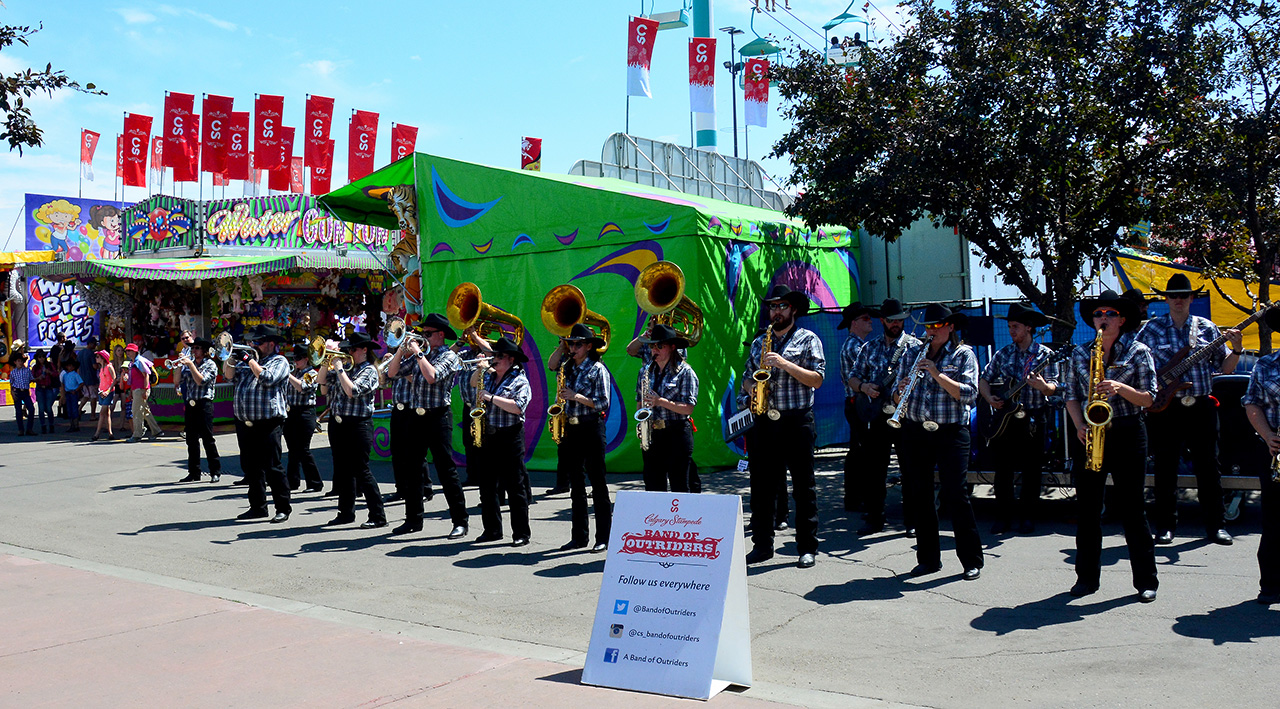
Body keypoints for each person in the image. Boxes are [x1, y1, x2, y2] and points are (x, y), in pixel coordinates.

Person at [1064, 290, 1159, 602]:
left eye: (1109, 314)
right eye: (1098, 314)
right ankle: (1086, 579)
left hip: (1129, 431)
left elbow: (1150, 398)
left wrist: (1121, 387)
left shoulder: (1139, 351)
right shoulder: (1081, 352)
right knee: (1088, 509)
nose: (1103, 319)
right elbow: (1071, 395)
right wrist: (1079, 424)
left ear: (1122, 319)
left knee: (1133, 508)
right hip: (1090, 433)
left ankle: (1146, 581)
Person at [1136, 273, 1240, 546]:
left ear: (1192, 298)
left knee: (1209, 467)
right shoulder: (1151, 329)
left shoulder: (1207, 328)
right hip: (1165, 408)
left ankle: (1216, 526)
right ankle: (1166, 527)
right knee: (1165, 468)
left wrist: (1237, 349)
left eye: (1184, 295)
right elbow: (1136, 364)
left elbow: (1226, 368)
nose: (1178, 300)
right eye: (1173, 295)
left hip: (1201, 405)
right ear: (1166, 298)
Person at [892, 303, 983, 580]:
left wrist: (935, 373)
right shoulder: (911, 353)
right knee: (920, 495)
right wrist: (901, 390)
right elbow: (895, 396)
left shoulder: (963, 354)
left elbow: (968, 394)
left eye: (936, 327)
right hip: (916, 430)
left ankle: (971, 560)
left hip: (951, 432)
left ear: (950, 327)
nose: (930, 332)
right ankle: (928, 559)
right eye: (927, 328)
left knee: (956, 494)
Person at [742, 285, 826, 569]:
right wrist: (752, 387)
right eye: (772, 307)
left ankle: (807, 547)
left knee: (803, 487)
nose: (776, 312)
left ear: (794, 310)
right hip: (765, 420)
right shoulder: (759, 342)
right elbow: (746, 377)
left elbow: (816, 379)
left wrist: (783, 363)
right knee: (762, 487)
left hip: (796, 420)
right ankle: (762, 546)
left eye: (782, 307)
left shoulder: (808, 339)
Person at [979, 303, 1059, 534]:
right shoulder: (1003, 354)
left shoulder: (1045, 355)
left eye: (1015, 327)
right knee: (1003, 469)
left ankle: (1027, 517)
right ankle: (1003, 516)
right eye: (1010, 326)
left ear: (1028, 328)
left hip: (1034, 418)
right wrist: (989, 398)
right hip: (1006, 420)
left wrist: (1044, 386)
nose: (1011, 331)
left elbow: (1055, 387)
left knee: (1031, 469)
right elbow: (984, 379)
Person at [386, 313, 468, 537]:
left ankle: (460, 521)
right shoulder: (418, 356)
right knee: (412, 470)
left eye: (428, 334)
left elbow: (432, 376)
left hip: (438, 417)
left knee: (446, 470)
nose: (423, 337)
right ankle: (413, 520)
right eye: (422, 334)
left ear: (441, 335)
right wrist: (402, 351)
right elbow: (392, 373)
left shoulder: (448, 356)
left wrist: (418, 352)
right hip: (416, 416)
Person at [847, 298, 921, 535]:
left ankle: (912, 520)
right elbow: (853, 377)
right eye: (892, 320)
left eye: (900, 320)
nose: (896, 324)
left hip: (906, 416)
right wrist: (864, 387)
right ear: (883, 321)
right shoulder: (870, 347)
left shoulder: (915, 347)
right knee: (874, 468)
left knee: (910, 468)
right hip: (878, 416)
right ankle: (875, 519)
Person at [548, 323, 613, 553]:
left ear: (587, 346)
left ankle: (603, 537)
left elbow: (604, 402)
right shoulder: (567, 366)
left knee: (597, 483)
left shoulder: (597, 369)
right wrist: (561, 346)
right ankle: (579, 537)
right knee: (576, 485)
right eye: (570, 343)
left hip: (591, 427)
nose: (573, 347)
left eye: (577, 344)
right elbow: (551, 365)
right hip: (571, 429)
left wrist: (576, 396)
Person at [221, 325, 292, 523]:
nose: (254, 345)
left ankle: (283, 507)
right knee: (251, 467)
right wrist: (232, 358)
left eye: (258, 342)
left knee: (273, 467)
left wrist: (249, 359)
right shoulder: (248, 363)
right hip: (245, 422)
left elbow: (267, 378)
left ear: (271, 344)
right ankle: (258, 507)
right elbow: (228, 376)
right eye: (254, 342)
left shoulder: (280, 361)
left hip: (268, 422)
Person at [319, 332, 386, 529]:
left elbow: (352, 391)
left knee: (361, 470)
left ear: (364, 350)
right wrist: (325, 361)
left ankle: (378, 515)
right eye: (348, 349)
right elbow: (322, 386)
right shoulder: (347, 369)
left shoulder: (369, 371)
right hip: (338, 423)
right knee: (343, 470)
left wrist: (339, 369)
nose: (349, 352)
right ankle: (346, 512)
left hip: (358, 425)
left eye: (353, 349)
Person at [470, 336, 533, 546]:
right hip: (489, 434)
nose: (495, 359)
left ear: (511, 359)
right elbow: (472, 383)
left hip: (510, 436)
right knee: (487, 486)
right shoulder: (489, 376)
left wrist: (489, 397)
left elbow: (517, 407)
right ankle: (492, 530)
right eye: (494, 355)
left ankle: (521, 533)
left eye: (499, 356)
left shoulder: (519, 380)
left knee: (514, 487)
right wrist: (480, 368)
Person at [1241, 307, 1280, 605]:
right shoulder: (1266, 365)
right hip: (1276, 450)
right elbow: (1251, 404)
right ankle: (1271, 585)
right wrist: (1268, 436)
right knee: (1275, 522)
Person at [634, 324, 699, 492]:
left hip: (676, 433)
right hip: (653, 433)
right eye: (652, 346)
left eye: (659, 346)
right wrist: (641, 421)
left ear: (672, 347)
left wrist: (660, 401)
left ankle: (682, 518)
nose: (654, 350)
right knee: (653, 485)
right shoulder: (645, 371)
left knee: (679, 485)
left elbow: (688, 408)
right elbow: (639, 401)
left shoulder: (686, 372)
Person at [838, 302, 874, 512]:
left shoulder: (856, 345)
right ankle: (855, 497)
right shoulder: (855, 347)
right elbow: (868, 374)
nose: (870, 322)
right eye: (865, 319)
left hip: (857, 403)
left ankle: (855, 496)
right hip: (857, 404)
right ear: (854, 323)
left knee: (858, 451)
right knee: (860, 451)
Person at [176, 338, 221, 482]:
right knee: (191, 440)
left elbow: (200, 380)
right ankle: (194, 472)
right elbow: (177, 381)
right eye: (193, 348)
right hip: (191, 404)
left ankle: (215, 471)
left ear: (204, 350)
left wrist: (190, 365)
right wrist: (177, 365)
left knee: (208, 439)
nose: (193, 351)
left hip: (204, 404)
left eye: (197, 348)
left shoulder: (210, 365)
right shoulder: (191, 365)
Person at [284, 344, 323, 493]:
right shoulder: (296, 373)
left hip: (306, 412)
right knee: (292, 450)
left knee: (303, 449)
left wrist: (287, 374)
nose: (295, 361)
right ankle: (292, 482)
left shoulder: (312, 373)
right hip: (291, 412)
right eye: (294, 358)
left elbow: (302, 387)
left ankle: (315, 482)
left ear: (307, 359)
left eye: (298, 358)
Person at [124, 344, 162, 442]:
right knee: (145, 410)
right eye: (127, 351)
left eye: (130, 351)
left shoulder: (139, 361)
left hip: (141, 389)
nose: (128, 353)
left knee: (136, 411)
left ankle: (137, 434)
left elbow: (146, 376)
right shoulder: (133, 362)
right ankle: (156, 430)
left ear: (135, 351)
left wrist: (145, 390)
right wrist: (131, 392)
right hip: (137, 389)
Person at [9, 342, 33, 435]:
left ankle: (29, 428)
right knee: (18, 411)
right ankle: (21, 429)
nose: (20, 363)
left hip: (25, 391)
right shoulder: (13, 372)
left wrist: (35, 380)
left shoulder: (27, 370)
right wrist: (12, 392)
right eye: (18, 361)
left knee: (31, 409)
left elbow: (31, 379)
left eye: (21, 361)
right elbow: (11, 383)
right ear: (15, 362)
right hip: (17, 391)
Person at [91, 350, 115, 441]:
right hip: (102, 391)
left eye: (98, 357)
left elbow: (114, 379)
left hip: (108, 392)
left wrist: (108, 391)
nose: (96, 359)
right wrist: (100, 390)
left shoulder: (109, 367)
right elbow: (102, 380)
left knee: (102, 412)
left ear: (103, 358)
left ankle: (97, 433)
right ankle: (110, 432)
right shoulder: (101, 368)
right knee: (107, 413)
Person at [32, 350, 57, 434]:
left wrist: (48, 372)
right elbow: (32, 378)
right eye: (40, 357)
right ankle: (43, 425)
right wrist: (38, 378)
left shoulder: (49, 365)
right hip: (40, 388)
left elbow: (56, 374)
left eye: (43, 356)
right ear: (37, 358)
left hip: (48, 388)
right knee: (41, 408)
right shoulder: (35, 367)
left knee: (48, 408)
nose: (42, 359)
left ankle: (51, 425)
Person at [77, 336, 99, 418]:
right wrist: (99, 365)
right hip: (91, 377)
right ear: (90, 344)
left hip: (83, 377)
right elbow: (94, 366)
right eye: (94, 344)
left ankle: (79, 409)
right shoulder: (91, 353)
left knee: (86, 395)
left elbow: (78, 367)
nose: (95, 346)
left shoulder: (80, 353)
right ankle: (92, 415)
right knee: (93, 396)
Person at [60, 358, 83, 433]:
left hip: (73, 393)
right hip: (68, 393)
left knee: (74, 409)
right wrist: (63, 395)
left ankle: (76, 425)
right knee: (69, 409)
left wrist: (76, 390)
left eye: (71, 366)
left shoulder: (75, 374)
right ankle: (71, 425)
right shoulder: (65, 375)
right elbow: (63, 384)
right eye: (68, 366)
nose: (70, 367)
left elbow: (81, 383)